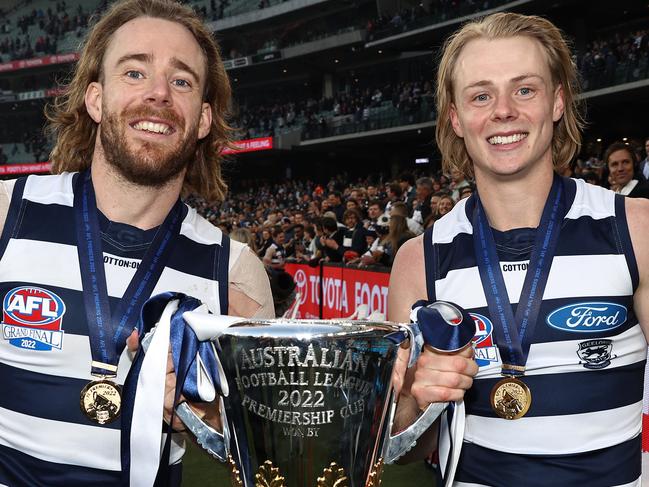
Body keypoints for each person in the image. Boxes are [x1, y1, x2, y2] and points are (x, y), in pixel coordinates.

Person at [0, 0, 274, 485]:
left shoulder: (234, 274)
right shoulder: (7, 213)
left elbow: (265, 450)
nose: (159, 94)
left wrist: (205, 414)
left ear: (204, 118)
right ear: (95, 99)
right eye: (134, 72)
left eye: (182, 81)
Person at [389, 12, 649, 487]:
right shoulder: (418, 259)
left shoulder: (636, 230)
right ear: (457, 117)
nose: (503, 111)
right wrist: (418, 398)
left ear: (556, 101)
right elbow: (404, 448)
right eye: (481, 95)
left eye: (524, 89)